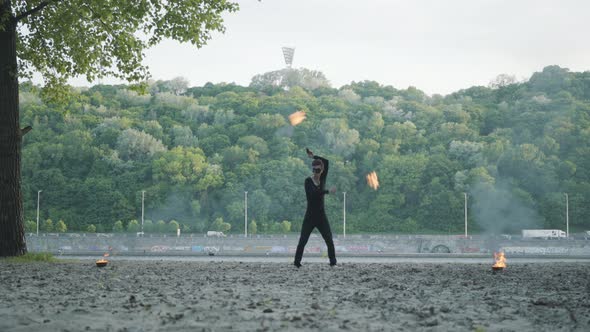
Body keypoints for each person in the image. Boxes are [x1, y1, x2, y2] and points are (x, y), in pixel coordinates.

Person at [294, 148, 337, 267]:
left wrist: (313, 157)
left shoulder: (322, 178)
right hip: (310, 216)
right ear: (312, 170)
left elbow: (326, 162)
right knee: (303, 240)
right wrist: (327, 191)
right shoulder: (308, 181)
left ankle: (333, 262)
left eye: (318, 170)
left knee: (329, 239)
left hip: (321, 215)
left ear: (322, 170)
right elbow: (313, 194)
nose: (316, 172)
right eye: (314, 170)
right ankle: (297, 262)